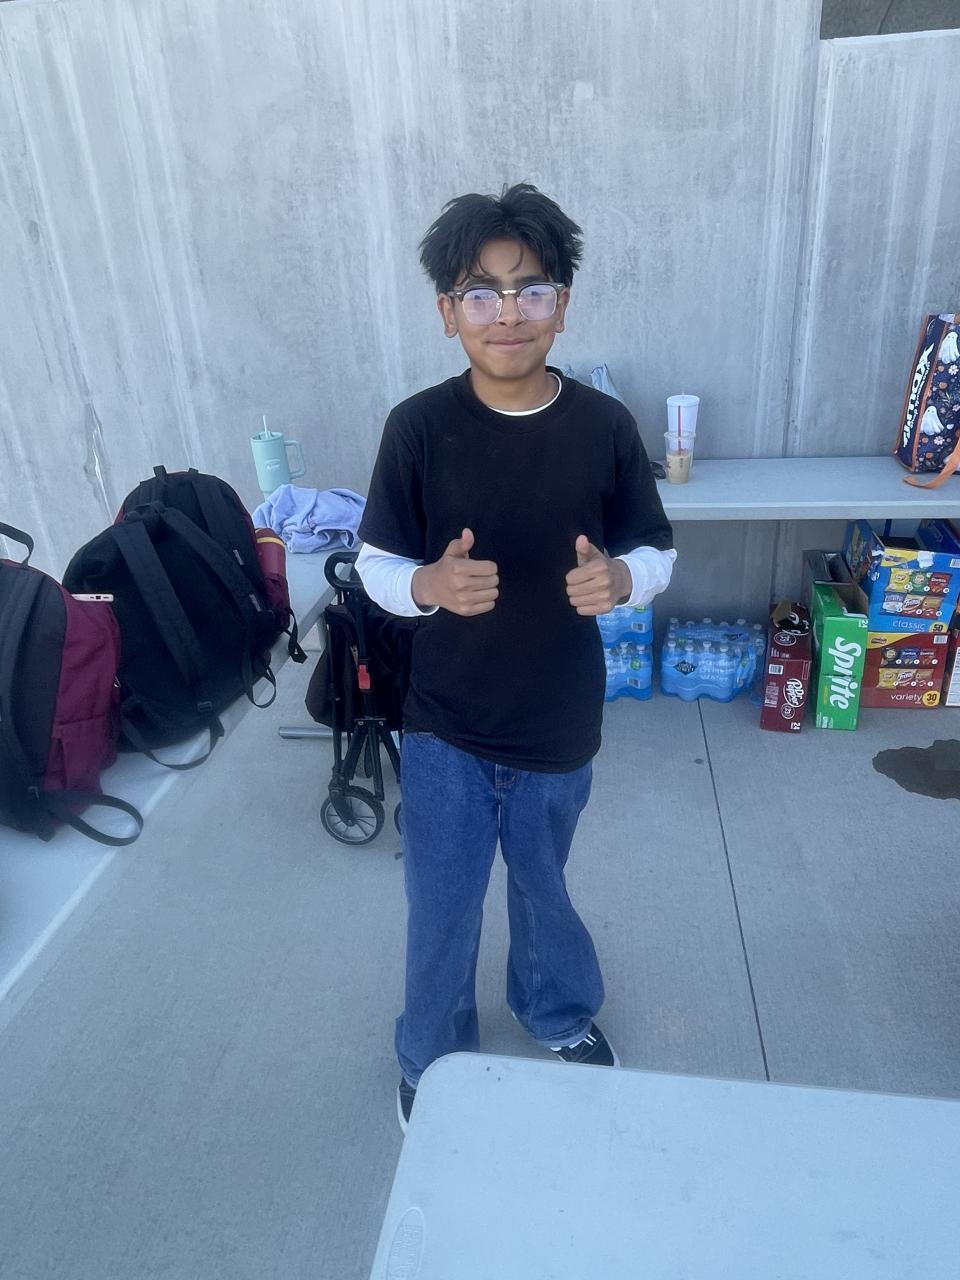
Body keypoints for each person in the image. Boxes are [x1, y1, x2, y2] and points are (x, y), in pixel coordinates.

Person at [355, 183, 676, 1132]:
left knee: (544, 887)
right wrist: (426, 584)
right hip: (445, 724)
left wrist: (623, 579)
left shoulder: (604, 426)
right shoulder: (417, 427)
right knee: (442, 902)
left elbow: (656, 547)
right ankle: (430, 1054)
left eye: (530, 289)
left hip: (558, 720)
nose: (508, 314)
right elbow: (374, 564)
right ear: (447, 312)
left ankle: (556, 1011)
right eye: (481, 293)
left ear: (562, 304)